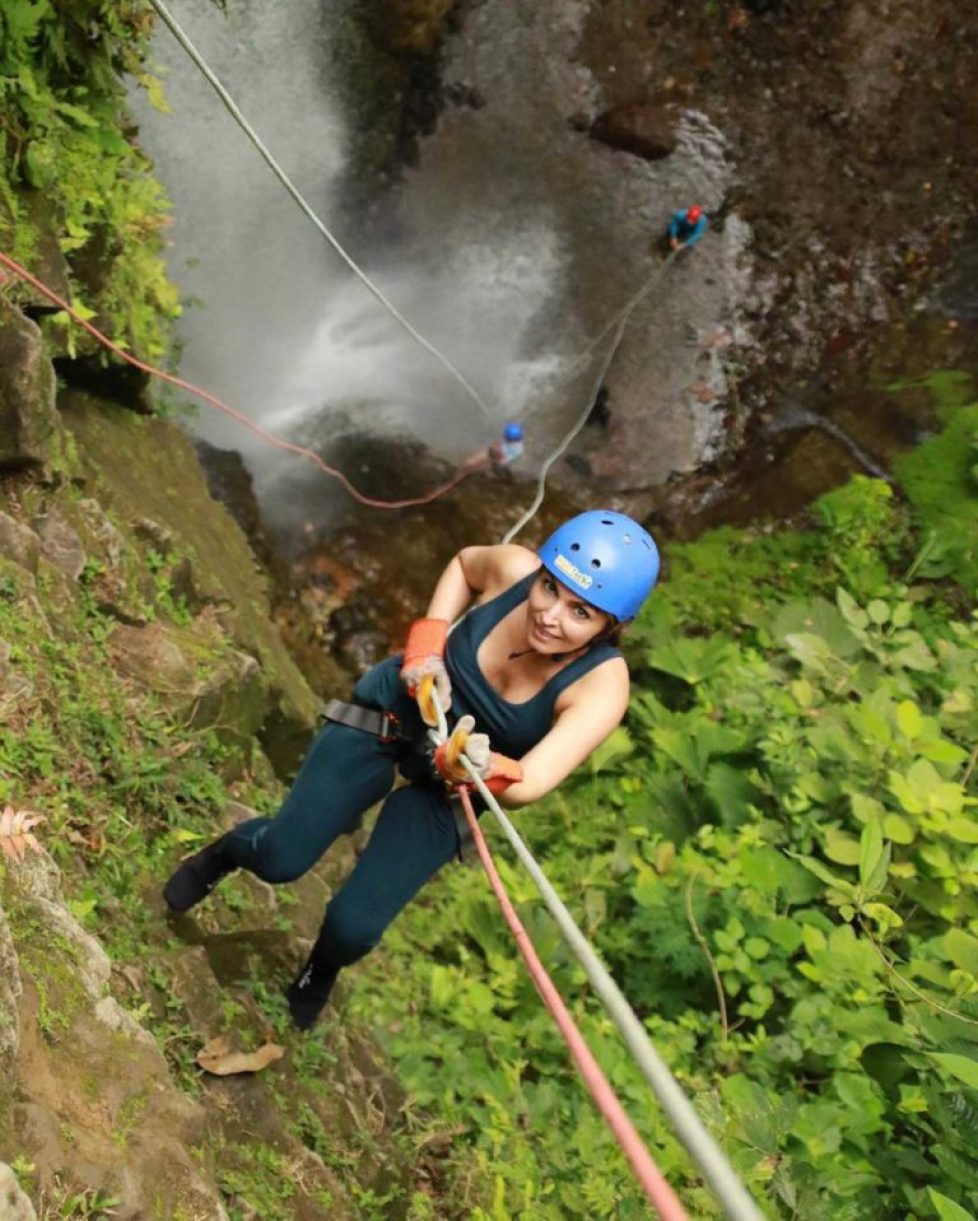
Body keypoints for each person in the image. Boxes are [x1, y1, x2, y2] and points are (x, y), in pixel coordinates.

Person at [163, 510, 660, 1030]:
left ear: (612, 626)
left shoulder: (601, 688)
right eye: (549, 588)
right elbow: (465, 566)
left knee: (354, 926)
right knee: (281, 858)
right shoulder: (512, 569)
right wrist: (426, 650)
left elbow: (532, 780)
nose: (549, 615)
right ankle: (226, 853)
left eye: (579, 612)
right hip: (395, 713)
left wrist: (478, 766)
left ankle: (322, 966)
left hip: (456, 786)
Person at [458, 421, 525, 477]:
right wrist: (495, 447)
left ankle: (470, 471)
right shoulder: (510, 437)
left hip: (495, 460)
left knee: (476, 468)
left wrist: (498, 455)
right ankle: (462, 468)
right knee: (469, 462)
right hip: (492, 452)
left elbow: (502, 461)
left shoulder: (518, 450)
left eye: (506, 437)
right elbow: (499, 442)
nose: (505, 436)